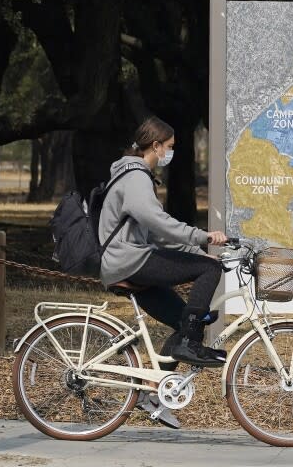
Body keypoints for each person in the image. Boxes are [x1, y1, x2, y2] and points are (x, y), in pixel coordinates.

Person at [97, 116, 227, 427]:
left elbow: (155, 235)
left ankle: (150, 393)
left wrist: (196, 249)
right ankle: (190, 344)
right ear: (155, 146)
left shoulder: (135, 175)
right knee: (210, 269)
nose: (170, 153)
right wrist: (201, 236)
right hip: (129, 260)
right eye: (168, 147)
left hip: (133, 257)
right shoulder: (135, 177)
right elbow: (157, 221)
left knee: (184, 320)